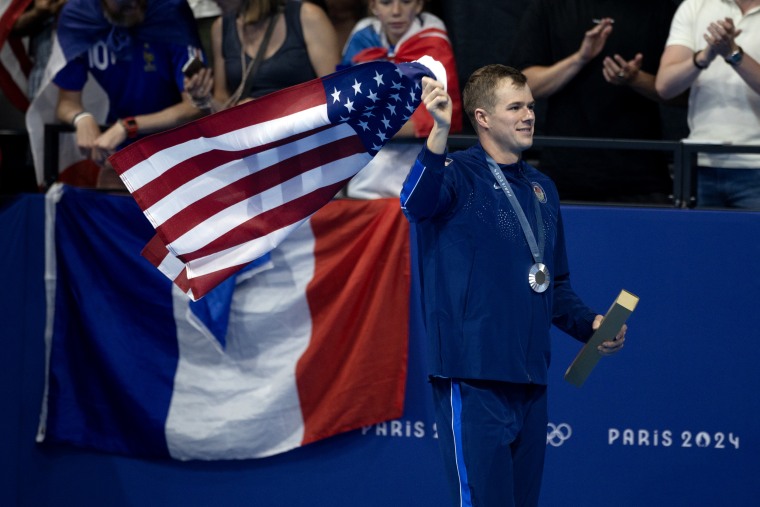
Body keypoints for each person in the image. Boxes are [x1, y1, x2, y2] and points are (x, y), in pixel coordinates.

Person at [400, 64, 626, 506]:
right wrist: (438, 131)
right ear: (482, 117)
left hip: (529, 378)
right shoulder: (455, 173)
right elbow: (413, 202)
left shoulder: (543, 189)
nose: (529, 115)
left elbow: (552, 283)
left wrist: (591, 324)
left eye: (531, 106)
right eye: (516, 106)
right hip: (472, 375)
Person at [510, 0, 678, 204]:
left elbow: (682, 95)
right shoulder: (549, 7)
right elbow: (525, 88)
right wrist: (580, 58)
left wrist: (635, 79)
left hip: (642, 178)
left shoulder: (661, 8)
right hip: (565, 174)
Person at [53, 0, 206, 188]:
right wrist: (81, 118)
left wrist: (129, 126)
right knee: (109, 192)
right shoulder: (78, 16)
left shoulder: (171, 9)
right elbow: (66, 103)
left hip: (180, 145)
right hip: (123, 149)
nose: (134, 3)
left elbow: (197, 105)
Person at [339, 0, 462, 198]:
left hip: (419, 162)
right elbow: (343, 105)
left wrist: (372, 124)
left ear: (419, 5)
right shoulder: (361, 38)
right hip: (365, 170)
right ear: (373, 7)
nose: (396, 11)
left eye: (405, 1)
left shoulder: (434, 39)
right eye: (386, 2)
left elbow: (443, 114)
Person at [655, 0, 760, 210]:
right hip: (700, 163)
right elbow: (665, 86)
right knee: (699, 242)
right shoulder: (695, 6)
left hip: (755, 166)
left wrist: (733, 54)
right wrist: (705, 56)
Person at [184, 0, 340, 113]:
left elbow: (337, 93)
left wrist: (268, 108)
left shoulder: (308, 16)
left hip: (307, 136)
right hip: (256, 144)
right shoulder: (220, 28)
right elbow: (225, 104)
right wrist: (205, 99)